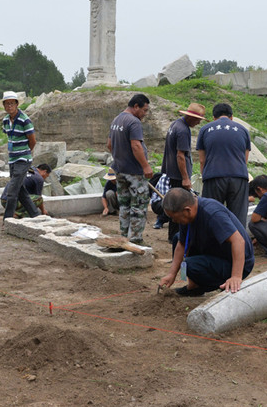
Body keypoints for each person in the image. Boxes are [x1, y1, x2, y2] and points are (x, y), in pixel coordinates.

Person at [159, 188, 254, 296]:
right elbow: (182, 244)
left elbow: (238, 241)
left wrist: (236, 276)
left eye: (174, 217)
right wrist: (171, 274)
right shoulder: (187, 213)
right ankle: (194, 287)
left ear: (187, 210)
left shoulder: (212, 213)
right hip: (216, 252)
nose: (173, 221)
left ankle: (218, 284)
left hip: (235, 262)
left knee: (190, 265)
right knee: (178, 238)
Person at [107, 94, 153, 245]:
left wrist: (120, 157)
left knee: (125, 205)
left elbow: (109, 145)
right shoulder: (134, 122)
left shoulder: (116, 120)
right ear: (136, 107)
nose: (145, 114)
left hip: (120, 170)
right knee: (138, 205)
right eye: (144, 110)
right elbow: (136, 145)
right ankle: (135, 239)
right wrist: (145, 166)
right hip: (135, 172)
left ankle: (124, 236)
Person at [195, 102, 251, 224]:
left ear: (214, 117)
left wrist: (205, 177)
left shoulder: (205, 129)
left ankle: (212, 242)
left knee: (210, 215)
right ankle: (238, 242)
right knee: (238, 218)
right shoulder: (243, 130)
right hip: (238, 177)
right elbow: (244, 159)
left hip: (213, 177)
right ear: (231, 116)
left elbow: (202, 160)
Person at [160, 102, 206, 243]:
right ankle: (175, 237)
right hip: (179, 174)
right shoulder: (183, 130)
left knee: (175, 203)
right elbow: (180, 156)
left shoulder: (175, 125)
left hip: (172, 171)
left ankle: (173, 235)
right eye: (198, 119)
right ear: (192, 117)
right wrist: (186, 178)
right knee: (179, 206)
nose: (198, 122)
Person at [0, 90, 41, 220]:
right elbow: (9, 136)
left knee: (12, 190)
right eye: (7, 104)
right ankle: (35, 215)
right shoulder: (6, 120)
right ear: (4, 106)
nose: (9, 106)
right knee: (21, 191)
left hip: (23, 159)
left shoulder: (24, 120)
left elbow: (32, 141)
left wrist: (26, 153)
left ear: (17, 104)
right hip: (12, 159)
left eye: (11, 103)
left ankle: (8, 219)